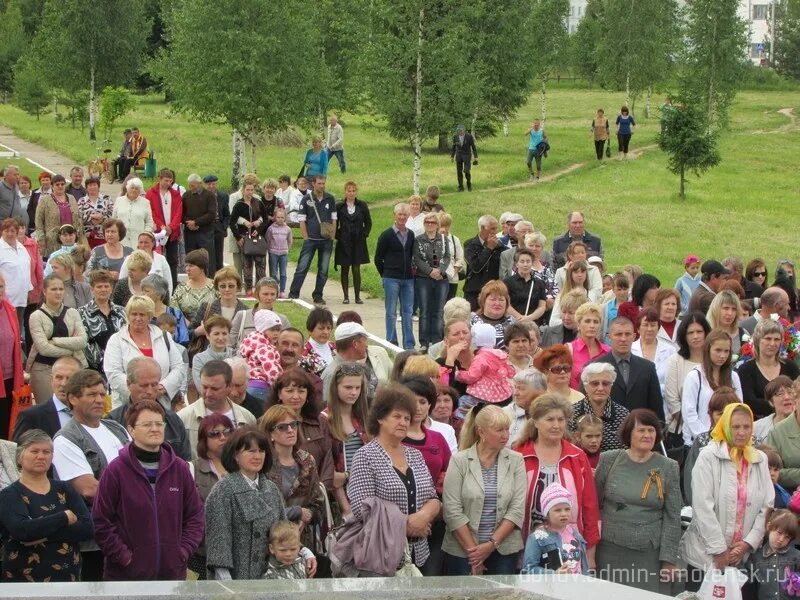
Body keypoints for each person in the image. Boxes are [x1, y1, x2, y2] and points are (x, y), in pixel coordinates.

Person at [92, 399, 204, 581]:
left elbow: (195, 516)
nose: (155, 428)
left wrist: (182, 552)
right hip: (126, 578)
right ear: (131, 430)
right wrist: (124, 557)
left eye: (159, 423)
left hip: (172, 577)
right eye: (147, 424)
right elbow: (101, 522)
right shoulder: (116, 471)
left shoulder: (180, 469)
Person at [346, 384, 441, 570]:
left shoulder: (415, 455)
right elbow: (361, 507)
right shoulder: (365, 456)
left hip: (418, 552)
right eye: (397, 416)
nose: (404, 422)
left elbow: (432, 497)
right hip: (380, 553)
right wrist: (405, 525)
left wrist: (424, 515)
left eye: (407, 418)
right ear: (380, 418)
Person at [680, 403, 773, 592]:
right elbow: (702, 506)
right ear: (724, 426)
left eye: (746, 427)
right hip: (705, 557)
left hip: (742, 556)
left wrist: (748, 543)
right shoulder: (708, 456)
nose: (741, 432)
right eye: (735, 427)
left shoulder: (760, 459)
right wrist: (719, 549)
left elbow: (767, 505)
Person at [204, 427, 315, 580]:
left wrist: (304, 552)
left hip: (273, 576)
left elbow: (284, 531)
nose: (257, 456)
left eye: (261, 451)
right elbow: (219, 542)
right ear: (236, 455)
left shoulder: (271, 489)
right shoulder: (222, 491)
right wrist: (225, 581)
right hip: (236, 578)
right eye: (250, 451)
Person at [52, 369, 131, 580]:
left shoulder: (116, 428)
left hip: (130, 531)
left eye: (102, 393)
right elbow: (89, 489)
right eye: (91, 395)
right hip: (94, 541)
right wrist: (138, 497)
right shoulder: (66, 439)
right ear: (73, 399)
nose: (99, 400)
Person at [594, 409, 681, 594]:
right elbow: (594, 504)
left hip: (648, 554)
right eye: (641, 430)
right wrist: (590, 552)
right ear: (629, 433)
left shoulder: (669, 467)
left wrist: (669, 560)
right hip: (609, 549)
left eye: (651, 430)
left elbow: (673, 516)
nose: (647, 435)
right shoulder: (609, 460)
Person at [513, 394, 600, 568]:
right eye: (550, 419)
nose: (556, 425)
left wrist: (590, 554)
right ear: (535, 421)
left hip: (568, 544)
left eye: (561, 419)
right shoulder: (518, 454)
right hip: (526, 543)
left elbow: (590, 507)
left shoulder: (577, 456)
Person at [440, 403, 526, 576]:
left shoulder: (516, 460)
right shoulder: (460, 461)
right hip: (462, 550)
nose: (505, 435)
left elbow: (517, 509)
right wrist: (475, 553)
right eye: (499, 430)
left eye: (507, 429)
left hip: (503, 549)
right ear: (481, 431)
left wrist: (491, 545)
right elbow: (452, 510)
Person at [0, 429, 94, 582]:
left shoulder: (65, 489)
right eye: (34, 451)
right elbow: (22, 531)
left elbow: (87, 529)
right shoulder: (10, 494)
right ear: (19, 457)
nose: (41, 456)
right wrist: (64, 517)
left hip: (67, 577)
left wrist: (39, 532)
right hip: (24, 580)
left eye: (46, 452)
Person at [104, 295, 186, 409]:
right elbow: (113, 373)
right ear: (128, 315)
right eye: (134, 314)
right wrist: (142, 392)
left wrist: (162, 387)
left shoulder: (164, 336)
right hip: (127, 406)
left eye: (142, 314)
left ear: (150, 316)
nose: (138, 318)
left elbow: (178, 367)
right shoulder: (116, 340)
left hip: (161, 404)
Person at [261, 405, 322, 555]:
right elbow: (263, 511)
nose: (290, 430)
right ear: (270, 434)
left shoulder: (307, 461)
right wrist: (296, 512)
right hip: (270, 544)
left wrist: (307, 516)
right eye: (282, 427)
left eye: (293, 425)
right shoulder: (263, 464)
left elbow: (317, 504)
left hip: (302, 542)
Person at [264, 367, 334, 491]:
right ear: (279, 394)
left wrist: (317, 493)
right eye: (290, 391)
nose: (296, 396)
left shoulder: (319, 423)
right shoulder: (266, 422)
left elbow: (327, 463)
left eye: (301, 391)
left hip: (316, 494)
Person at [27, 274, 88, 405]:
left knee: (73, 407)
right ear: (44, 291)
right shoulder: (36, 316)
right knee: (48, 410)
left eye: (61, 289)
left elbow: (82, 341)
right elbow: (43, 348)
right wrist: (70, 349)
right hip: (44, 368)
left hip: (71, 367)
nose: (58, 292)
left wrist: (55, 341)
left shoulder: (72, 313)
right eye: (54, 289)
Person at [178, 360, 256, 459]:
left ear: (229, 387)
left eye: (215, 389)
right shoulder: (183, 418)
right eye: (205, 387)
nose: (208, 393)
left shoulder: (247, 418)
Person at [320, 361, 370, 515]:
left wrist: (348, 476)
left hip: (366, 492)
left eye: (357, 388)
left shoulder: (363, 418)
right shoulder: (325, 419)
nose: (354, 392)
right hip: (339, 499)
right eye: (348, 387)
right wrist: (346, 508)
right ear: (335, 387)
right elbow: (332, 472)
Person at [187, 413, 233, 577]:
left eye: (227, 432)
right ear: (203, 440)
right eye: (215, 434)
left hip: (235, 554)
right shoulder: (191, 469)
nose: (222, 437)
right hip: (200, 553)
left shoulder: (242, 468)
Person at [592, 317, 664, 420]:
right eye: (618, 334)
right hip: (606, 431)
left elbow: (657, 409)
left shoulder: (647, 368)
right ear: (609, 337)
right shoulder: (596, 367)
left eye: (627, 334)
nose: (623, 339)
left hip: (639, 430)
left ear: (634, 336)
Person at [682, 329, 743, 446]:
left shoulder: (733, 377)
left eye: (726, 351)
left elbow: (739, 407)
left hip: (729, 440)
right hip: (700, 442)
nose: (722, 355)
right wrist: (706, 438)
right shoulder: (695, 376)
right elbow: (689, 413)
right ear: (708, 349)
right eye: (718, 350)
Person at [738, 318, 800, 419]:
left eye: (776, 339)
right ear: (758, 340)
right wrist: (782, 406)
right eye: (768, 339)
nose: (772, 344)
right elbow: (749, 401)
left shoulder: (790, 367)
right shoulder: (746, 370)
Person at [288, 175, 336, 305]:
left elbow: (334, 219)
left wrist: (332, 236)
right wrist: (306, 238)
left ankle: (318, 294)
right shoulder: (306, 199)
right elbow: (302, 220)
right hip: (311, 239)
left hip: (326, 240)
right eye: (319, 183)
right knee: (302, 267)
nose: (321, 186)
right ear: (313, 184)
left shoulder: (330, 199)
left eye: (323, 183)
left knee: (323, 269)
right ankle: (294, 293)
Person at [522, 482, 589, 575]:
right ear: (547, 513)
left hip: (576, 587)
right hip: (551, 587)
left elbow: (584, 566)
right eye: (558, 510)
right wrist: (554, 573)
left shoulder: (575, 533)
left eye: (567, 509)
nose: (563, 514)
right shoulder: (537, 537)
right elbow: (528, 570)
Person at [663, 313, 710, 443]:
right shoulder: (675, 361)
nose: (695, 336)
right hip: (682, 429)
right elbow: (672, 400)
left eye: (699, 331)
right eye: (690, 333)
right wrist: (694, 425)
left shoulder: (713, 360)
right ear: (684, 336)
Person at [374, 202, 416, 349]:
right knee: (391, 312)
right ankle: (391, 341)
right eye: (400, 214)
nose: (402, 217)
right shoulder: (386, 235)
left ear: (408, 216)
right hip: (391, 278)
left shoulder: (411, 235)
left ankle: (409, 344)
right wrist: (385, 274)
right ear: (395, 215)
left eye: (405, 215)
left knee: (408, 312)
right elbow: (378, 258)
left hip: (408, 279)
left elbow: (412, 255)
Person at [320, 321, 391, 406]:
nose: (367, 346)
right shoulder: (332, 374)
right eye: (364, 341)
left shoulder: (355, 368)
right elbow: (327, 408)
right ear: (355, 344)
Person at [453, 323, 515, 419]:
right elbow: (510, 371)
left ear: (476, 340)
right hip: (502, 390)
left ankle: (460, 420)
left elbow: (472, 376)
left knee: (463, 402)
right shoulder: (500, 354)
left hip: (484, 393)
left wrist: (458, 374)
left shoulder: (481, 357)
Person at [12, 357, 81, 441]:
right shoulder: (31, 417)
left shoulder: (91, 413)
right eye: (59, 377)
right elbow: (19, 451)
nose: (63, 384)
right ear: (51, 380)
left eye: (70, 378)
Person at [569, 363, 629, 451]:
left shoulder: (623, 415)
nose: (600, 388)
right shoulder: (571, 414)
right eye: (595, 383)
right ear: (585, 387)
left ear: (611, 386)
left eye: (605, 383)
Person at [78, 269, 127, 375]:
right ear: (92, 289)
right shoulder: (81, 313)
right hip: (95, 370)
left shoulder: (122, 311)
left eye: (106, 286)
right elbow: (84, 343)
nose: (103, 290)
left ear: (111, 288)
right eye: (99, 287)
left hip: (122, 366)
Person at [414, 212, 450, 351]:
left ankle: (436, 340)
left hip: (441, 279)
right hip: (424, 278)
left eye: (433, 222)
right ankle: (424, 341)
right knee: (424, 310)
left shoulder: (443, 239)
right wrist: (430, 271)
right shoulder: (418, 240)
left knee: (438, 310)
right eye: (427, 222)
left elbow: (447, 257)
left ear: (437, 225)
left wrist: (439, 271)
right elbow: (417, 259)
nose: (430, 224)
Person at [746, 509, 800, 599]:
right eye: (779, 533)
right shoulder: (756, 556)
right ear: (769, 526)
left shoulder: (796, 556)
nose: (781, 539)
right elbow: (746, 578)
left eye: (787, 537)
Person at [189, 266, 246, 349]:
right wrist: (198, 331)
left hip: (236, 357)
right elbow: (187, 335)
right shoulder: (206, 308)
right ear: (217, 287)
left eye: (231, 286)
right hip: (209, 357)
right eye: (222, 286)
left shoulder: (245, 311)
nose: (227, 289)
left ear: (237, 286)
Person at [145, 170, 183, 288]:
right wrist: (161, 226)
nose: (168, 183)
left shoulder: (175, 194)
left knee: (173, 260)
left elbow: (178, 212)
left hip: (172, 233)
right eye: (166, 180)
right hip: (157, 234)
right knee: (156, 260)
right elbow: (151, 212)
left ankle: (172, 286)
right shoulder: (151, 194)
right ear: (159, 179)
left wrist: (171, 227)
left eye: (170, 181)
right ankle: (155, 285)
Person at [34, 174, 86, 259]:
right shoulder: (45, 200)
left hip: (71, 239)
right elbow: (38, 221)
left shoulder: (71, 198)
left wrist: (80, 236)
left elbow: (78, 218)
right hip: (53, 241)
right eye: (57, 184)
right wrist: (41, 238)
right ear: (52, 186)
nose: (60, 186)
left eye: (62, 184)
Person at [228, 277, 289, 348]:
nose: (269, 298)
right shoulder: (242, 316)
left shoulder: (282, 320)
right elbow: (229, 344)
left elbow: (286, 346)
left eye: (272, 294)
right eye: (265, 294)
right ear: (257, 294)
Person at [632, 307, 678, 397]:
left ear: (658, 328)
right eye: (645, 325)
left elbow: (674, 383)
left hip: (664, 403)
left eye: (653, 325)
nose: (649, 329)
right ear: (638, 328)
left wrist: (652, 388)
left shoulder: (670, 350)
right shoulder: (630, 350)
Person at [238, 309, 283, 401]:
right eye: (272, 330)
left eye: (278, 330)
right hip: (261, 386)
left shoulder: (253, 343)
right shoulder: (265, 348)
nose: (276, 333)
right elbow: (271, 369)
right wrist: (282, 383)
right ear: (262, 329)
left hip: (249, 384)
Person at [463, 215, 503, 310]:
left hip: (493, 291)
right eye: (492, 229)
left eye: (496, 229)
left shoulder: (500, 246)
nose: (495, 232)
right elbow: (476, 267)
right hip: (474, 291)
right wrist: (489, 248)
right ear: (482, 228)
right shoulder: (470, 244)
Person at [181, 174, 218, 277]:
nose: (190, 188)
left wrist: (196, 222)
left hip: (205, 233)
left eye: (193, 186)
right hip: (190, 233)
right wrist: (189, 223)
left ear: (200, 184)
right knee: (191, 258)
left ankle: (209, 280)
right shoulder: (186, 196)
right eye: (189, 185)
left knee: (207, 259)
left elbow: (211, 214)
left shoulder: (209, 196)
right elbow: (182, 214)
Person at [567, 302, 609, 389]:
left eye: (596, 322)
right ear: (578, 324)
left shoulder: (608, 351)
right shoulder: (569, 349)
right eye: (587, 321)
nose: (592, 325)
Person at [0, 218, 31, 334]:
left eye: (13, 231)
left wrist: (28, 290)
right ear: (2, 232)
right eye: (6, 231)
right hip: (6, 300)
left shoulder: (21, 248)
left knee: (17, 331)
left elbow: (26, 269)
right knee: (7, 332)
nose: (10, 234)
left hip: (21, 298)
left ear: (17, 232)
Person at [171, 249, 216, 325]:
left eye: (191, 266)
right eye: (186, 266)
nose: (187, 269)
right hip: (186, 329)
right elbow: (174, 310)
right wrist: (189, 326)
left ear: (202, 267)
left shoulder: (215, 286)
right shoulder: (181, 288)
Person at [504, 248, 547, 323]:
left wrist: (529, 318)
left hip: (532, 323)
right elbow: (506, 305)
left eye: (528, 261)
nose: (525, 265)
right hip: (512, 322)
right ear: (516, 264)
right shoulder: (507, 282)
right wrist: (520, 318)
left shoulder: (540, 283)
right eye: (522, 261)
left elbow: (542, 306)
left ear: (532, 263)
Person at [470, 280, 515, 350]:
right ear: (483, 301)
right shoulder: (471, 322)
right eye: (493, 299)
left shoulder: (513, 324)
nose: (497, 303)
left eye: (501, 300)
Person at [111, 178, 153, 249]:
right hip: (121, 240)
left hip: (138, 241)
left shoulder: (145, 203)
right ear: (127, 188)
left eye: (137, 188)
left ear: (140, 190)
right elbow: (113, 220)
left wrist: (145, 236)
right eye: (132, 188)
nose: (134, 190)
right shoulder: (119, 201)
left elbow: (149, 222)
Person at [753, 376, 795, 443]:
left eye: (790, 392)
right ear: (771, 402)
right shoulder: (756, 428)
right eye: (780, 394)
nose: (787, 397)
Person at [203, 174, 230, 278]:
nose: (211, 186)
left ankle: (219, 278)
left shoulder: (223, 196)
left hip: (218, 225)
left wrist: (224, 226)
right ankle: (209, 277)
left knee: (219, 254)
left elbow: (227, 214)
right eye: (209, 184)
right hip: (206, 227)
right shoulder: (202, 196)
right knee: (209, 254)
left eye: (213, 184)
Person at [707, 289, 747, 356]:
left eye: (734, 309)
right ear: (716, 309)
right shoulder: (706, 332)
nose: (730, 313)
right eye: (726, 308)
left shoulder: (743, 334)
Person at [266, 208, 292, 297]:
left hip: (283, 254)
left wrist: (287, 249)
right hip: (273, 253)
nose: (280, 219)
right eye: (278, 217)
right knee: (273, 273)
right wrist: (270, 250)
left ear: (285, 218)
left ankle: (282, 290)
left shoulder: (288, 229)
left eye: (282, 217)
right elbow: (268, 240)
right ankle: (274, 289)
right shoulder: (271, 229)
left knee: (283, 273)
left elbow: (289, 240)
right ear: (275, 218)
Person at [302, 307, 336, 375]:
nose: (326, 332)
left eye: (328, 328)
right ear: (310, 330)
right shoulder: (304, 353)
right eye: (321, 328)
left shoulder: (336, 347)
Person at [450, 124, 478, 191]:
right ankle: (460, 187)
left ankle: (469, 185)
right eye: (458, 130)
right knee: (459, 172)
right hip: (459, 155)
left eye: (461, 130)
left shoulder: (469, 136)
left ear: (464, 130)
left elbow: (473, 147)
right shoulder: (455, 137)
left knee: (466, 171)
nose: (460, 132)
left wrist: (476, 157)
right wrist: (452, 156)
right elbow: (453, 147)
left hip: (467, 155)